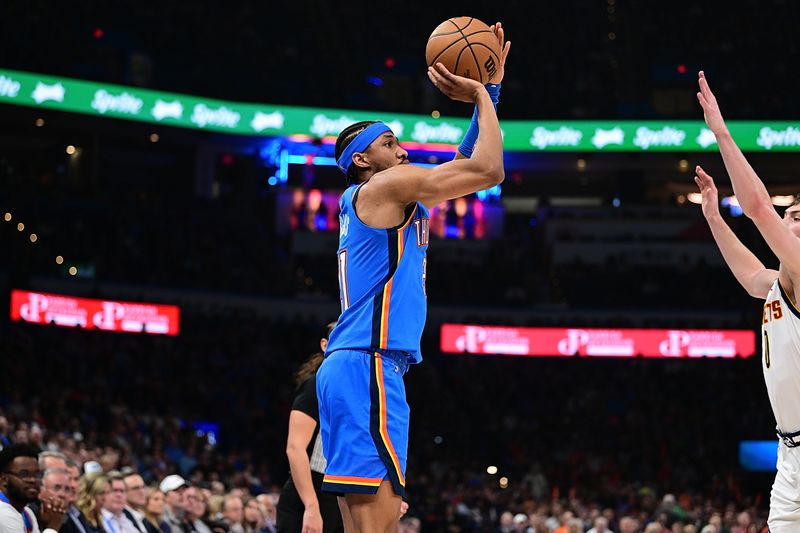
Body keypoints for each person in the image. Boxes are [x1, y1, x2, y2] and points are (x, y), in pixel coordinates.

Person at [316, 23, 509, 533]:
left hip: (351, 366)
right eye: (389, 142)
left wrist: (488, 94)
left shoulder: (378, 197)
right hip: (368, 366)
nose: (401, 151)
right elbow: (489, 171)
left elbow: (463, 163)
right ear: (362, 160)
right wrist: (478, 95)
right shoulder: (386, 186)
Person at [694, 70, 800, 532]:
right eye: (790, 215)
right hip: (789, 452)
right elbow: (751, 274)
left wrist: (720, 130)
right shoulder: (783, 280)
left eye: (797, 216)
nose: (789, 221)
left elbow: (757, 207)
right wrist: (715, 218)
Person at [276, 322, 344, 533]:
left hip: (336, 497)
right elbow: (294, 448)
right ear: (325, 345)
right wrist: (311, 506)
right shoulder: (315, 385)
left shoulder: (354, 393)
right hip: (307, 499)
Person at [0, 444, 67, 533]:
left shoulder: (27, 512)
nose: (33, 480)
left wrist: (46, 524)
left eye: (37, 474)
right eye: (24, 474)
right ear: (3, 479)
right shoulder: (3, 513)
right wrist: (53, 526)